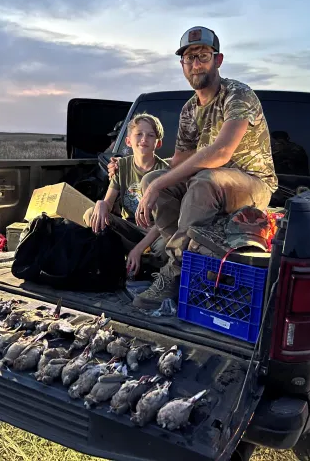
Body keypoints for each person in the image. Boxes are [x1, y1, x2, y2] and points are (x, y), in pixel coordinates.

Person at [109, 26, 278, 309]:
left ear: (218, 60)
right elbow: (178, 161)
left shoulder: (238, 95)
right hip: (210, 183)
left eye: (203, 56)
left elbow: (222, 151)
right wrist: (143, 178)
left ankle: (174, 272)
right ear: (182, 65)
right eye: (189, 58)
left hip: (252, 184)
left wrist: (161, 184)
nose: (196, 64)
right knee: (154, 178)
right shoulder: (189, 109)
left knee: (203, 181)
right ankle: (186, 262)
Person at [83, 113, 169, 277]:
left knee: (167, 247)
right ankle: (129, 259)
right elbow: (108, 202)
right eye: (139, 134)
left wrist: (138, 249)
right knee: (91, 214)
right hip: (129, 228)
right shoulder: (121, 166)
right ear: (128, 141)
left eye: (151, 135)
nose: (144, 139)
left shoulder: (164, 172)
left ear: (158, 143)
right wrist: (101, 204)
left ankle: (137, 260)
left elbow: (162, 223)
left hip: (154, 232)